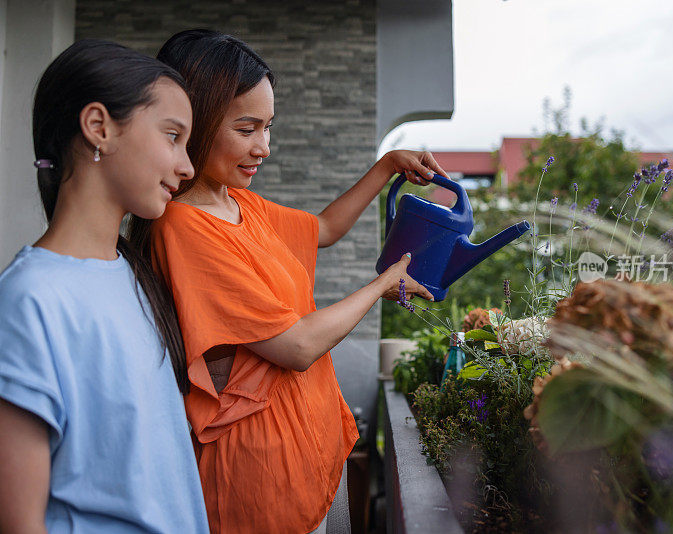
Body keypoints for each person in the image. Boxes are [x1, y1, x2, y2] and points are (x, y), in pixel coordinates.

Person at [129, 29, 442, 533]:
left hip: (301, 453)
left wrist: (387, 165)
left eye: (268, 127)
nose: (264, 148)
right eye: (247, 129)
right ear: (196, 123)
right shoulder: (184, 226)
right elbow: (296, 346)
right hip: (258, 477)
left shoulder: (238, 204)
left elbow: (323, 229)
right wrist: (383, 285)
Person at [0, 39, 209, 533]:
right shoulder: (29, 299)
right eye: (172, 136)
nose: (188, 166)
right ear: (99, 127)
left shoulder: (135, 276)